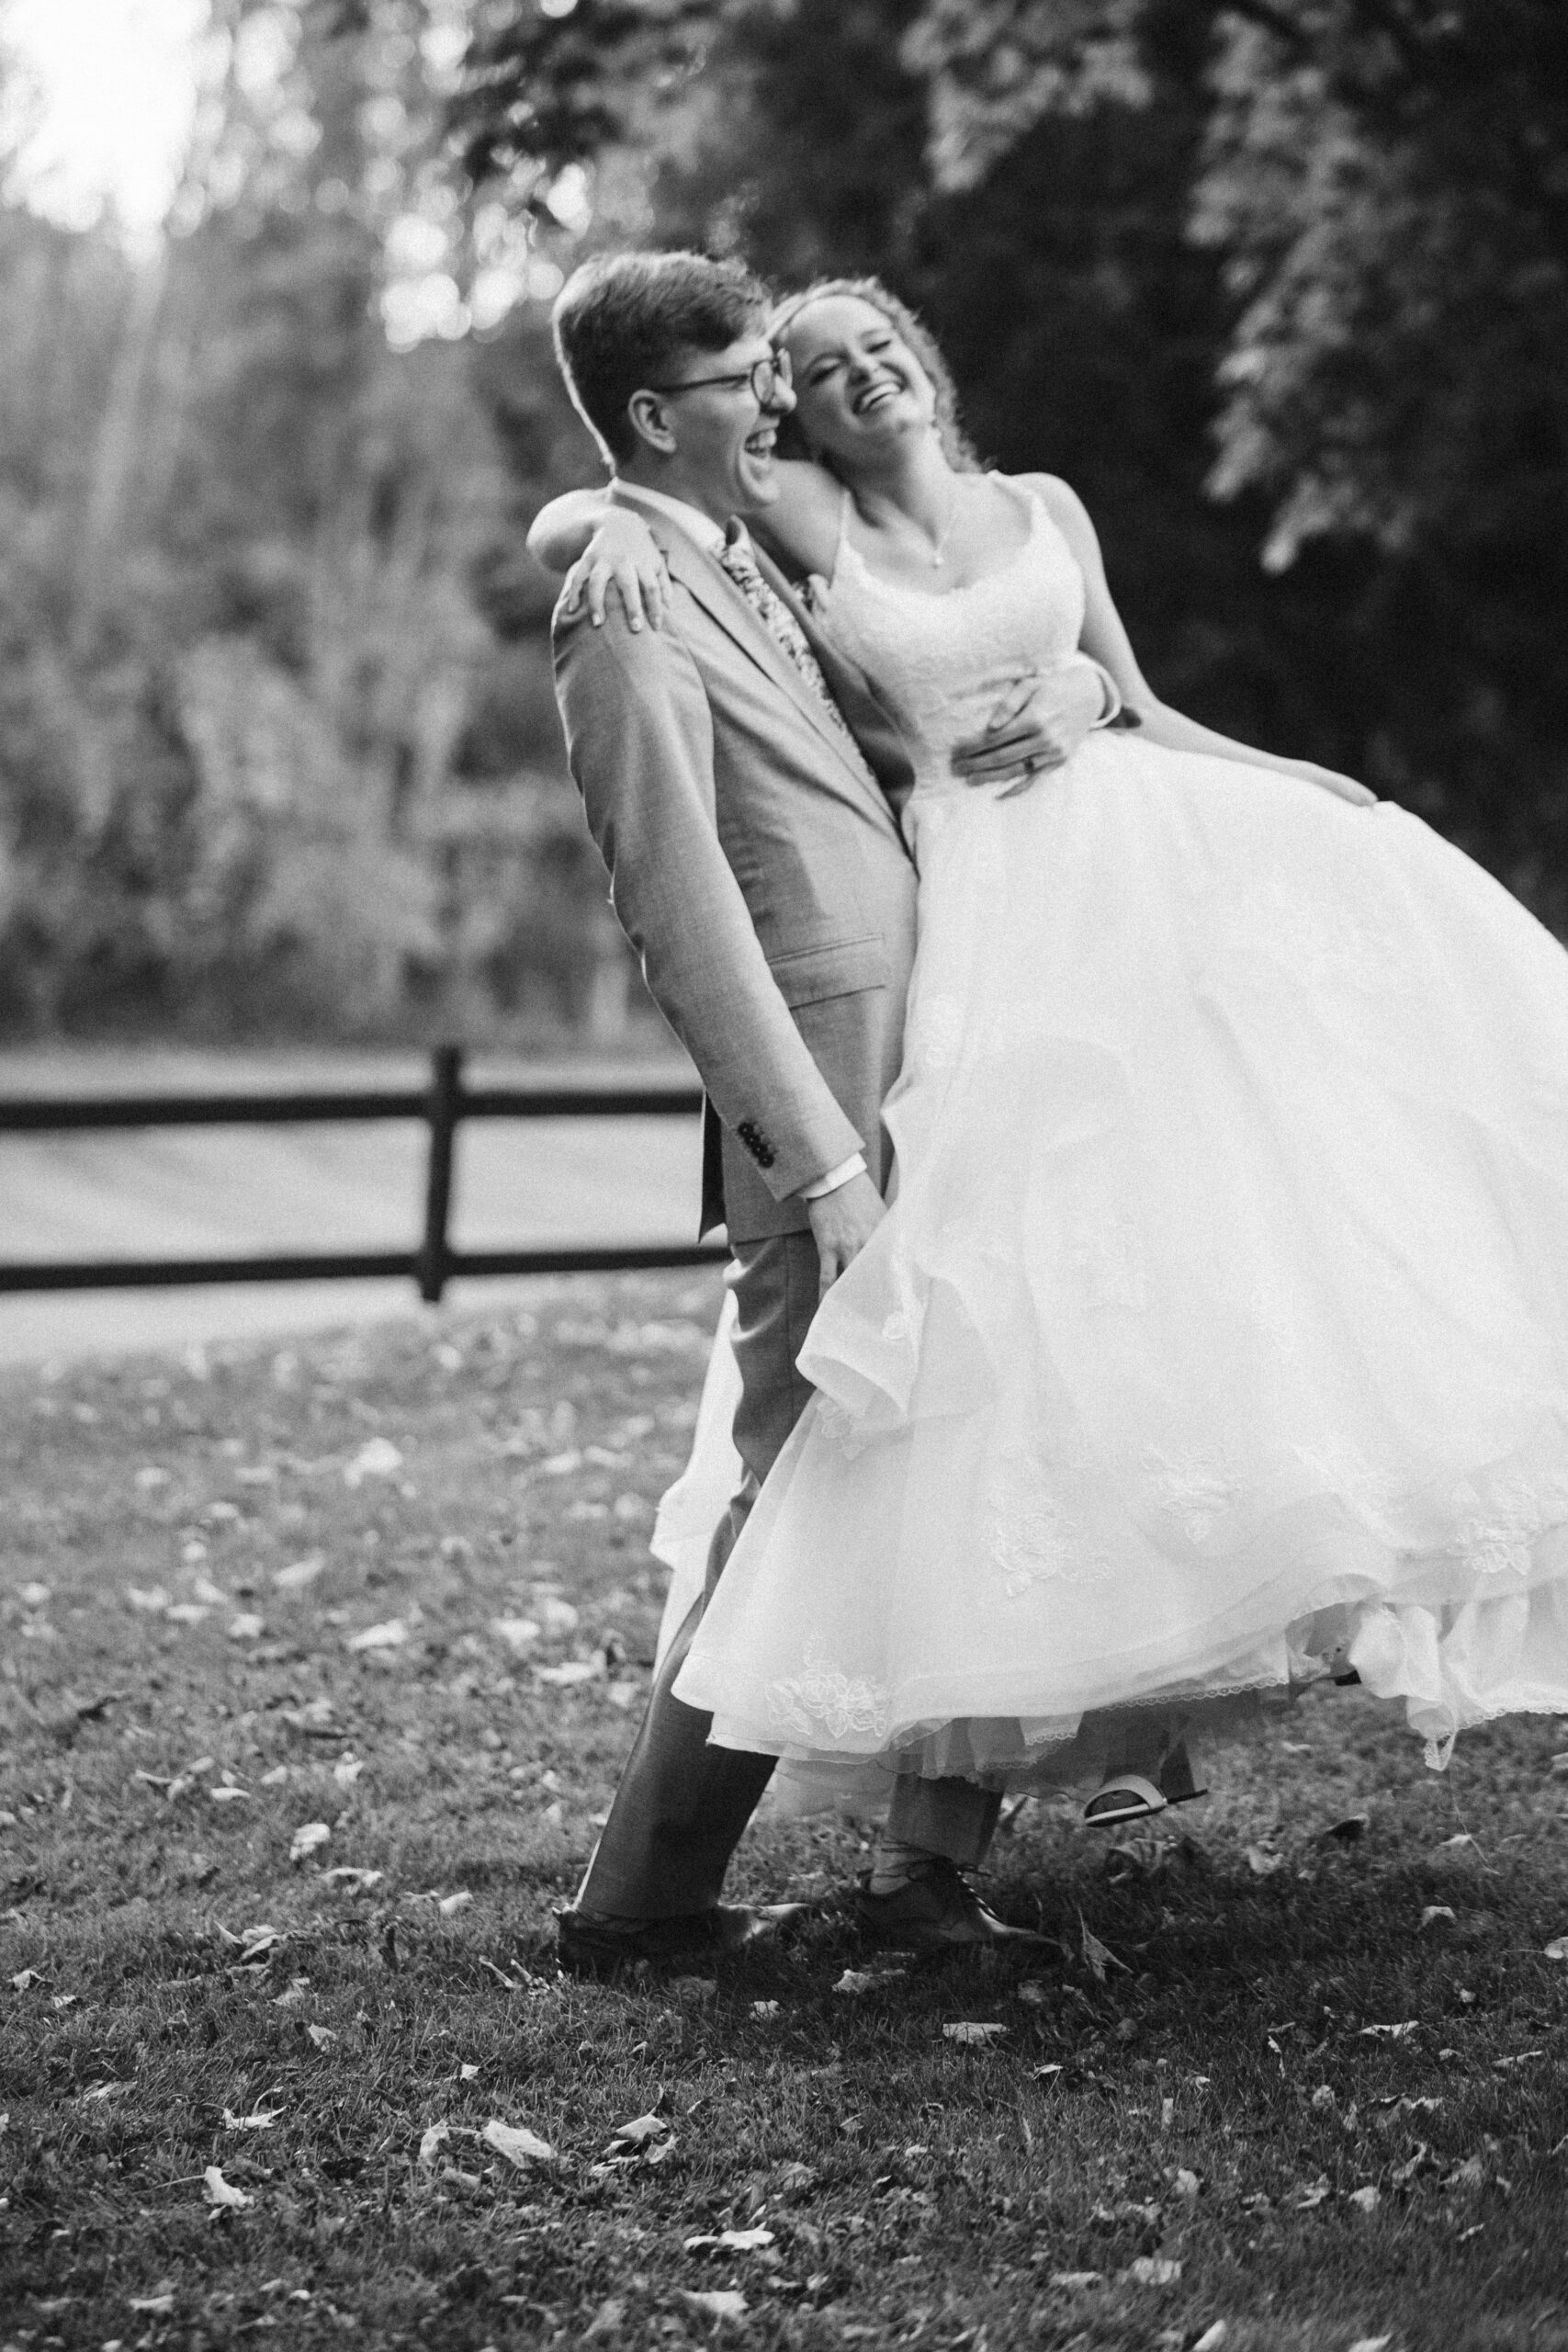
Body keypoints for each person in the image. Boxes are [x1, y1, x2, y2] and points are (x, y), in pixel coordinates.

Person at [534, 271, 1568, 1834]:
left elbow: (1140, 704)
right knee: (1022, 1299)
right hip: (991, 911)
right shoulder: (792, 517)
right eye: (812, 370)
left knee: (1211, 1246)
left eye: (877, 347)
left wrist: (1293, 780)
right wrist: (598, 522)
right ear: (782, 419)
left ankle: (1145, 1699)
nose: (853, 374)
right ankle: (964, 1779)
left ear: (927, 363)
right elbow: (612, 505)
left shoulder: (1044, 502)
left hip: (1132, 870)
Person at [544, 252, 1122, 1973]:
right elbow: (682, 903)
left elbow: (867, 753)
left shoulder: (717, 555)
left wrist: (1077, 694)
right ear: (662, 416)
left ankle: (903, 1873)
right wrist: (823, 1159)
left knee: (881, 1447)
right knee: (784, 1467)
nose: (776, 398)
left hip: (908, 1050)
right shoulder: (627, 595)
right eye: (743, 378)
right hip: (822, 1095)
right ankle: (643, 1906)